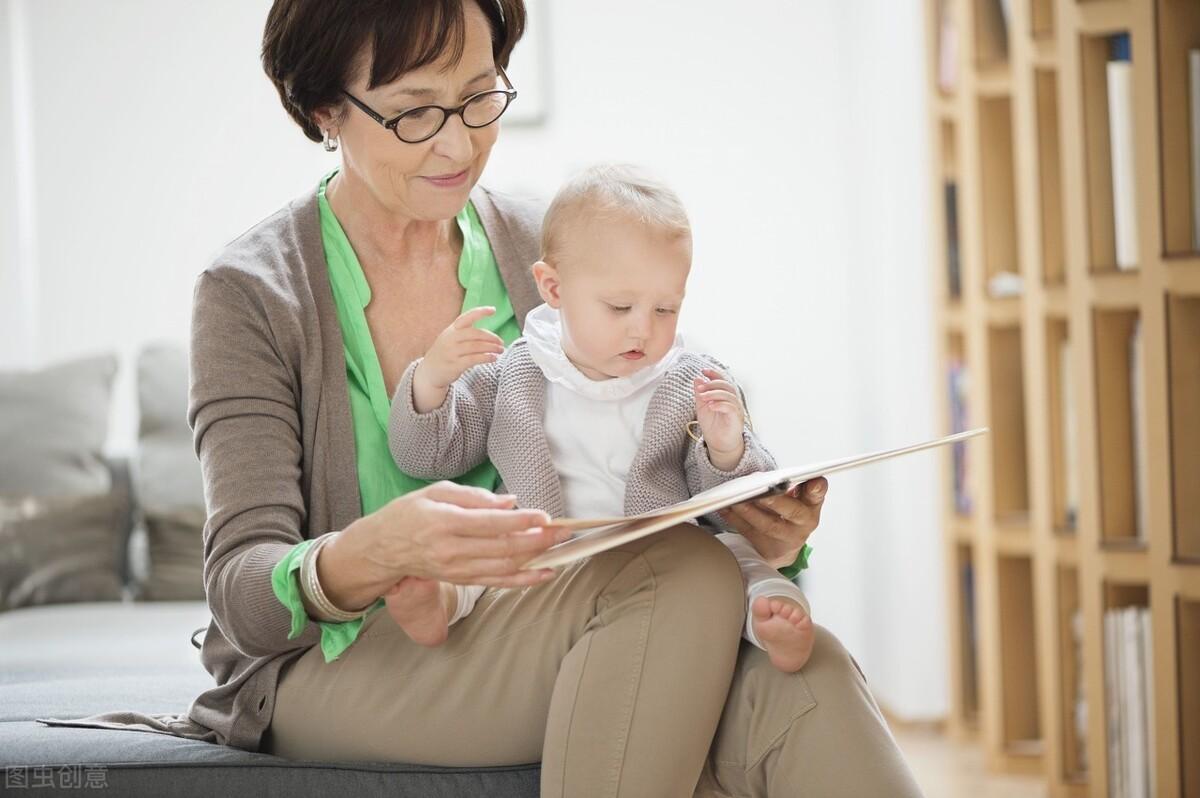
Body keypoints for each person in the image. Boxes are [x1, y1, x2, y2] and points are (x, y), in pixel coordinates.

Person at [41, 2, 925, 795]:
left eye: (478, 98)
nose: (458, 144)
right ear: (323, 109)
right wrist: (370, 552)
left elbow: (658, 431)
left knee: (805, 678)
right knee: (679, 579)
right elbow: (243, 593)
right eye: (416, 110)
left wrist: (755, 518)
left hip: (574, 609)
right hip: (346, 662)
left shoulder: (548, 238)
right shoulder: (251, 293)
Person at [385, 164, 816, 673]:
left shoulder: (691, 379)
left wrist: (726, 447)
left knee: (733, 558)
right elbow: (426, 455)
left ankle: (771, 617)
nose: (643, 330)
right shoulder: (515, 371)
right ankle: (440, 602)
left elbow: (736, 504)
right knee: (477, 553)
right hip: (543, 559)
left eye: (665, 309)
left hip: (663, 562)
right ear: (553, 288)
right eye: (619, 307)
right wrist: (431, 381)